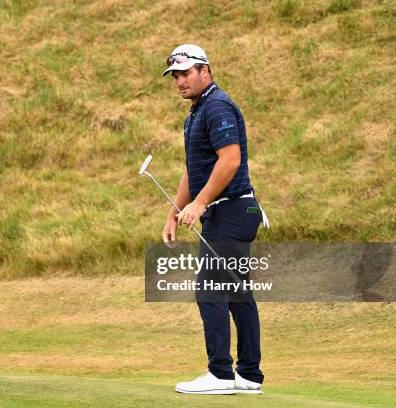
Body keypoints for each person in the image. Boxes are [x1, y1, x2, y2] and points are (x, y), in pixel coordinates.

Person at [161, 44, 268, 395]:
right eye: (175, 76)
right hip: (233, 210)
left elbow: (230, 160)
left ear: (205, 71)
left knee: (210, 289)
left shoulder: (217, 105)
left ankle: (220, 374)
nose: (180, 81)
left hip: (232, 209)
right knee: (237, 293)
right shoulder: (196, 113)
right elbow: (194, 172)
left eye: (186, 73)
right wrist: (175, 211)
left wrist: (200, 204)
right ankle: (249, 375)